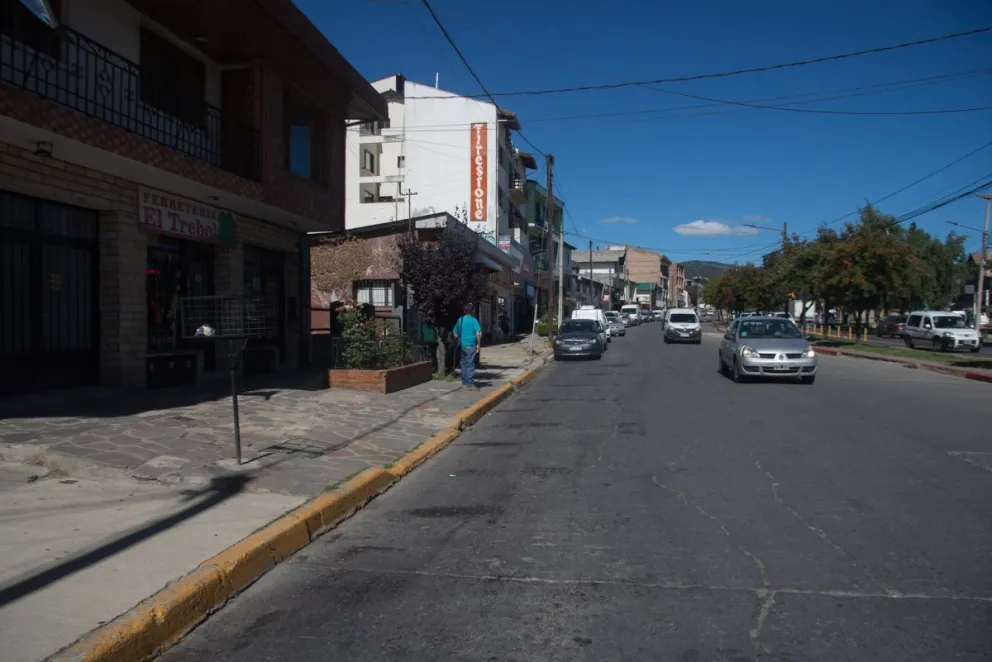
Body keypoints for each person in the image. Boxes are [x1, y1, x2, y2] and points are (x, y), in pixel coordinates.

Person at [453, 303, 482, 389]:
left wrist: (461, 337)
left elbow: (455, 333)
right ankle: (470, 383)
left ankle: (464, 382)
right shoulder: (474, 320)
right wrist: (478, 345)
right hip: (471, 345)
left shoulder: (460, 320)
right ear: (472, 311)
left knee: (463, 363)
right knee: (470, 364)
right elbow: (478, 333)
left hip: (462, 345)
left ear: (465, 311)